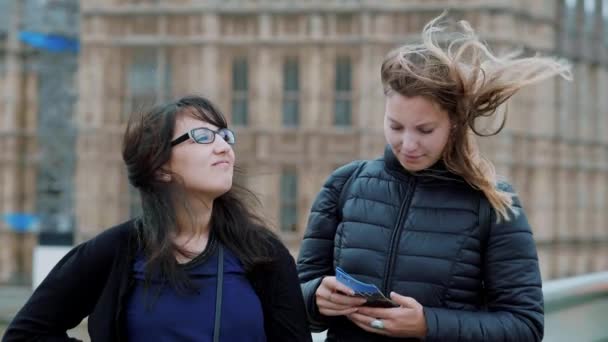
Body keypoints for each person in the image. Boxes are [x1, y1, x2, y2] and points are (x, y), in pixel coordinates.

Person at [297, 14, 571, 342]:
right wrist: (316, 297)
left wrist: (428, 324)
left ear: (454, 124)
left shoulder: (494, 202)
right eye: (395, 126)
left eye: (425, 130)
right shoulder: (344, 186)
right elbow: (293, 306)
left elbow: (525, 327)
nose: (408, 144)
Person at [3, 95, 312, 342]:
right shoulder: (115, 250)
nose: (224, 148)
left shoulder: (263, 254)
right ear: (160, 167)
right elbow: (26, 334)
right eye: (202, 137)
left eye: (225, 136)